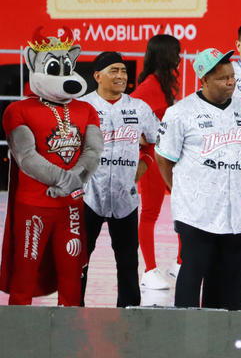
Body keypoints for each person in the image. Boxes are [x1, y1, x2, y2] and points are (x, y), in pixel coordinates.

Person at [0, 27, 103, 306]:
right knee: (25, 272)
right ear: (33, 62)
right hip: (33, 207)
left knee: (71, 275)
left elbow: (94, 151)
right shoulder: (18, 110)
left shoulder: (86, 109)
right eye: (54, 67)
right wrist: (68, 180)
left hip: (70, 207)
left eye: (66, 65)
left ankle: (69, 335)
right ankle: (19, 333)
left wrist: (74, 179)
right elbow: (26, 158)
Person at [155, 48, 241, 310]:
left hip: (238, 214)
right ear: (204, 80)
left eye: (232, 77)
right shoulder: (181, 112)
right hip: (197, 213)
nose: (231, 82)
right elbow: (164, 158)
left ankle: (226, 339)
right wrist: (180, 190)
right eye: (224, 78)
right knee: (192, 277)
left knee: (232, 286)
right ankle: (188, 337)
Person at [80, 52, 160, 308]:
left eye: (124, 71)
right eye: (114, 70)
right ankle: (71, 308)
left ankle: (129, 313)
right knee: (79, 259)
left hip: (126, 197)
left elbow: (156, 142)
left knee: (128, 262)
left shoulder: (139, 107)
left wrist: (143, 166)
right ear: (97, 76)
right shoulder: (82, 107)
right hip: (87, 196)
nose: (121, 76)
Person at [131, 34, 182, 290]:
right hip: (153, 159)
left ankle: (181, 262)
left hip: (170, 158)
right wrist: (141, 140)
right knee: (150, 213)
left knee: (185, 207)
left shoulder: (164, 83)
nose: (180, 58)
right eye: (176, 53)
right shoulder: (149, 86)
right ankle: (149, 269)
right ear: (165, 55)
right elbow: (129, 117)